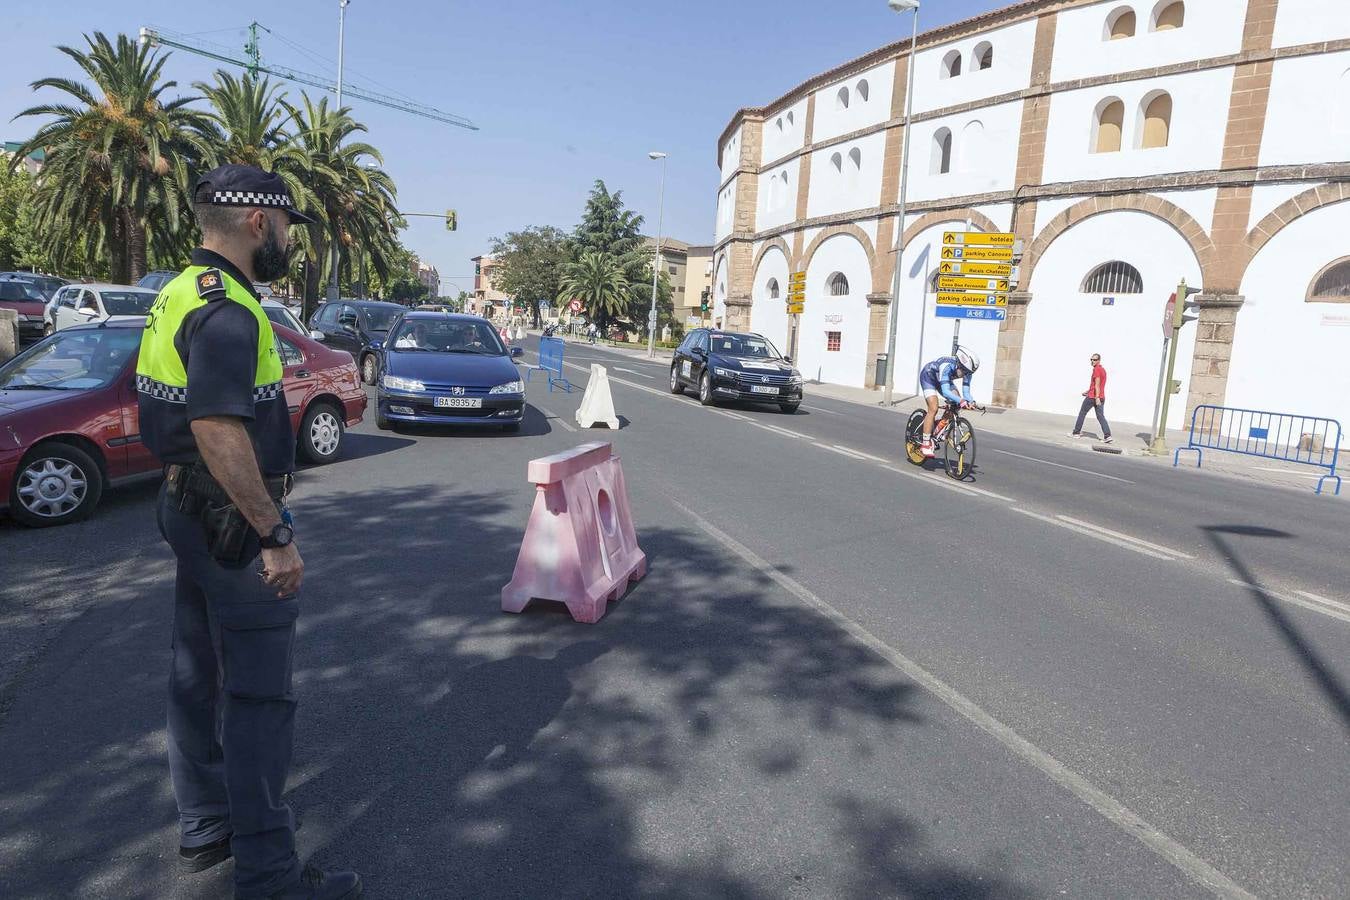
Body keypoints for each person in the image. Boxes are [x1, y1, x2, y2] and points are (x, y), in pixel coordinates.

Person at [136, 164, 361, 900]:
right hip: (231, 520)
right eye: (290, 225)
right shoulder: (230, 310)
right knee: (261, 699)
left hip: (186, 510)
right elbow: (215, 427)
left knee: (195, 671)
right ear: (259, 222)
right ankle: (269, 878)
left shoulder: (179, 289)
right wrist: (274, 535)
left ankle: (206, 824)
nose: (292, 239)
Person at [917, 347, 980, 458]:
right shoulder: (947, 366)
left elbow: (966, 393)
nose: (966, 375)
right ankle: (925, 444)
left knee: (956, 403)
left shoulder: (967, 372)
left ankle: (938, 429)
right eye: (964, 371)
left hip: (943, 380)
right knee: (933, 408)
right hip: (929, 377)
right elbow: (946, 391)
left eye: (968, 373)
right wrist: (961, 401)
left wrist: (971, 402)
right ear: (959, 364)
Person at [1071, 352, 1112, 443]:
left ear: (1099, 360)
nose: (1092, 361)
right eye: (1091, 359)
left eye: (1095, 360)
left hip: (1093, 397)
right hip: (1101, 396)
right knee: (1101, 416)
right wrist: (1088, 391)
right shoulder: (1103, 370)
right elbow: (1098, 385)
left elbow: (1097, 384)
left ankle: (1076, 433)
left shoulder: (1096, 370)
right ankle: (1107, 436)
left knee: (1082, 413)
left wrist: (1096, 397)